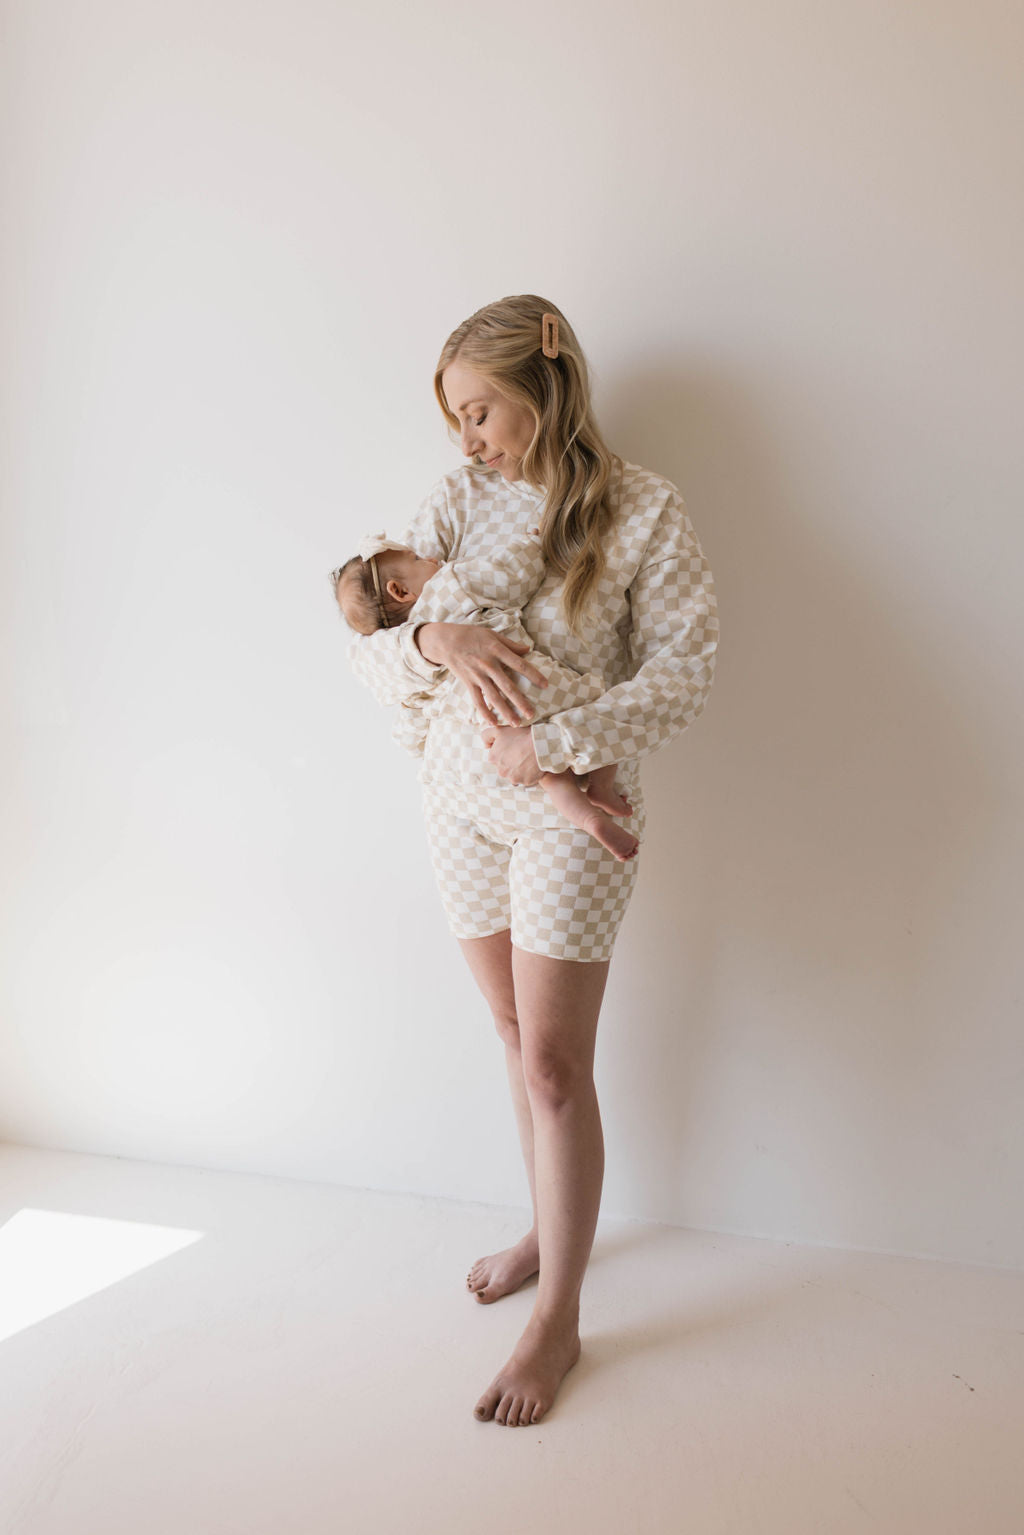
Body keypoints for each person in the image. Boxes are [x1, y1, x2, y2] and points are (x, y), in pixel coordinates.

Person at [346, 295, 719, 1427]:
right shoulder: (455, 500)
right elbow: (370, 654)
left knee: (554, 1064)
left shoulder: (645, 511)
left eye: (481, 410)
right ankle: (546, 1231)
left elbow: (686, 669)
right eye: (455, 418)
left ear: (543, 379)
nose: (466, 437)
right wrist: (428, 635)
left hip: (574, 805)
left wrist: (549, 746)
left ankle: (557, 1318)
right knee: (511, 1040)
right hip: (454, 799)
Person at [332, 528, 639, 860]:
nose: (432, 557)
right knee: (597, 701)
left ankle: (588, 817)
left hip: (494, 721)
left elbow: (413, 711)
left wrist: (411, 743)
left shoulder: (413, 652)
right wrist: (532, 543)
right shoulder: (451, 584)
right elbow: (509, 575)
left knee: (550, 778)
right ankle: (602, 787)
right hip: (533, 682)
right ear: (400, 590)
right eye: (418, 559)